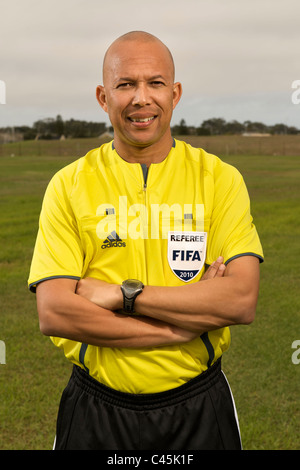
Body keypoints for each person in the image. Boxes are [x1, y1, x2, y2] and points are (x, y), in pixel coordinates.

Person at [28, 31, 264, 450]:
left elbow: (240, 299)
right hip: (96, 409)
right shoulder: (69, 185)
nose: (142, 98)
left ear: (174, 94)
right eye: (125, 85)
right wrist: (178, 330)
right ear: (103, 97)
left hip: (197, 405)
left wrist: (122, 296)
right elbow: (55, 312)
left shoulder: (220, 179)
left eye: (155, 83)